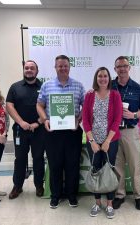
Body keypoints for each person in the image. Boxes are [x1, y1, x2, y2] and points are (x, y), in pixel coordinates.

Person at [36, 55, 85, 209]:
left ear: (69, 67)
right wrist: (45, 120)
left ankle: (72, 195)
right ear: (55, 67)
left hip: (72, 131)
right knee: (55, 164)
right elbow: (39, 105)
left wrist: (78, 120)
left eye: (65, 66)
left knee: (72, 165)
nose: (63, 68)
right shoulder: (47, 85)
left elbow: (86, 106)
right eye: (60, 66)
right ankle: (55, 195)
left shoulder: (78, 86)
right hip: (53, 132)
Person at [82, 67, 122, 219]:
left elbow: (117, 119)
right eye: (100, 76)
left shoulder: (115, 95)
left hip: (110, 141)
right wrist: (92, 141)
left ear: (109, 78)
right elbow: (85, 120)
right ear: (96, 78)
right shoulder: (90, 95)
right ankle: (97, 203)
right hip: (93, 141)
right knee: (96, 170)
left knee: (109, 171)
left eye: (105, 76)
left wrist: (107, 141)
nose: (103, 79)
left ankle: (110, 204)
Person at [111, 56, 140, 210]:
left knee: (134, 165)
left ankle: (138, 195)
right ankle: (120, 195)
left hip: (130, 131)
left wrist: (133, 115)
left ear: (129, 67)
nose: (122, 69)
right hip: (113, 132)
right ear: (115, 69)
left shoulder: (138, 87)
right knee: (118, 166)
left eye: (125, 66)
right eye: (119, 66)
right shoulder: (109, 85)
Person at [6, 60, 46, 199]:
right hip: (20, 130)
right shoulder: (15, 87)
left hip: (39, 130)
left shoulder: (44, 86)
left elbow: (48, 106)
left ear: (37, 71)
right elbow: (9, 106)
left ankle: (39, 185)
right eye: (26, 68)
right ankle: (17, 186)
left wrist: (38, 122)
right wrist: (21, 122)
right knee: (20, 159)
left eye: (32, 68)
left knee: (38, 158)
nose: (29, 70)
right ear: (24, 69)